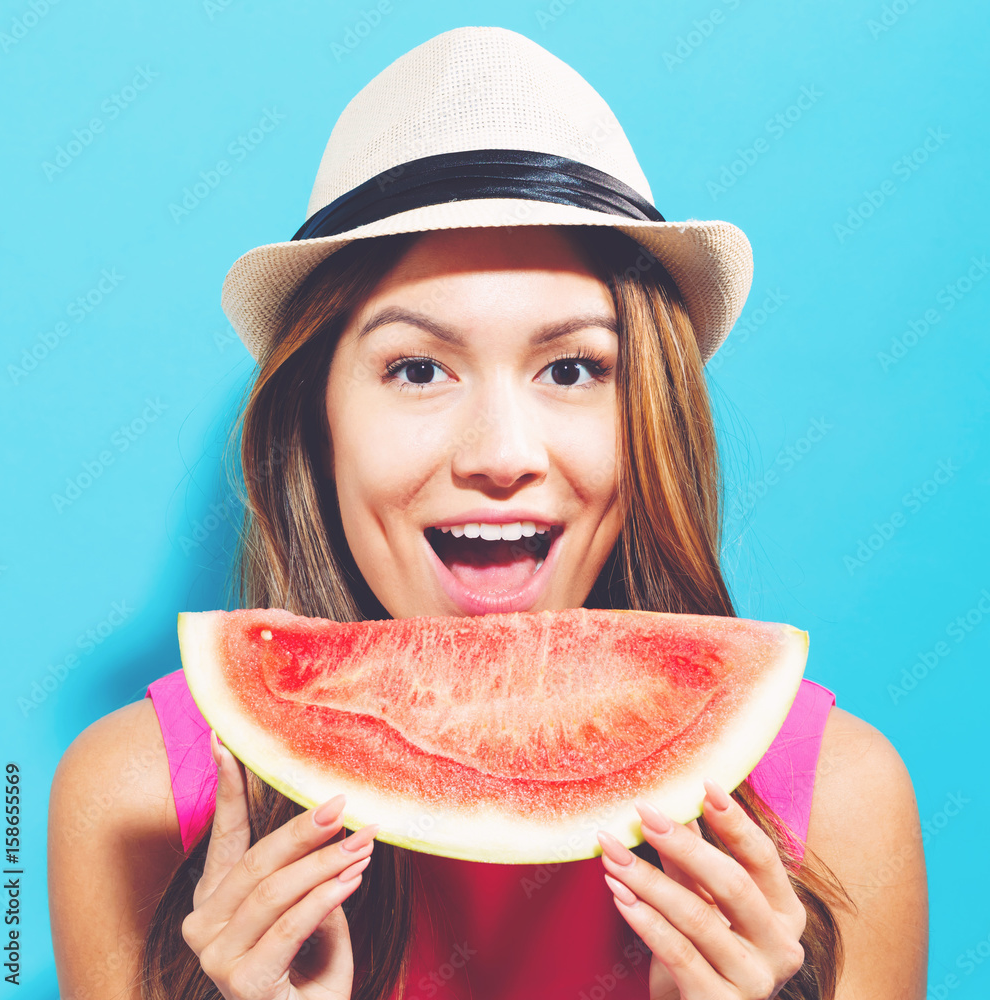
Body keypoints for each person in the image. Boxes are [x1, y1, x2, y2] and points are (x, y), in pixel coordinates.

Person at [47, 25, 927, 1000]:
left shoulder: (836, 803)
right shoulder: (133, 805)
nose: (502, 454)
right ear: (317, 418)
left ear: (648, 419)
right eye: (416, 368)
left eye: (572, 367)